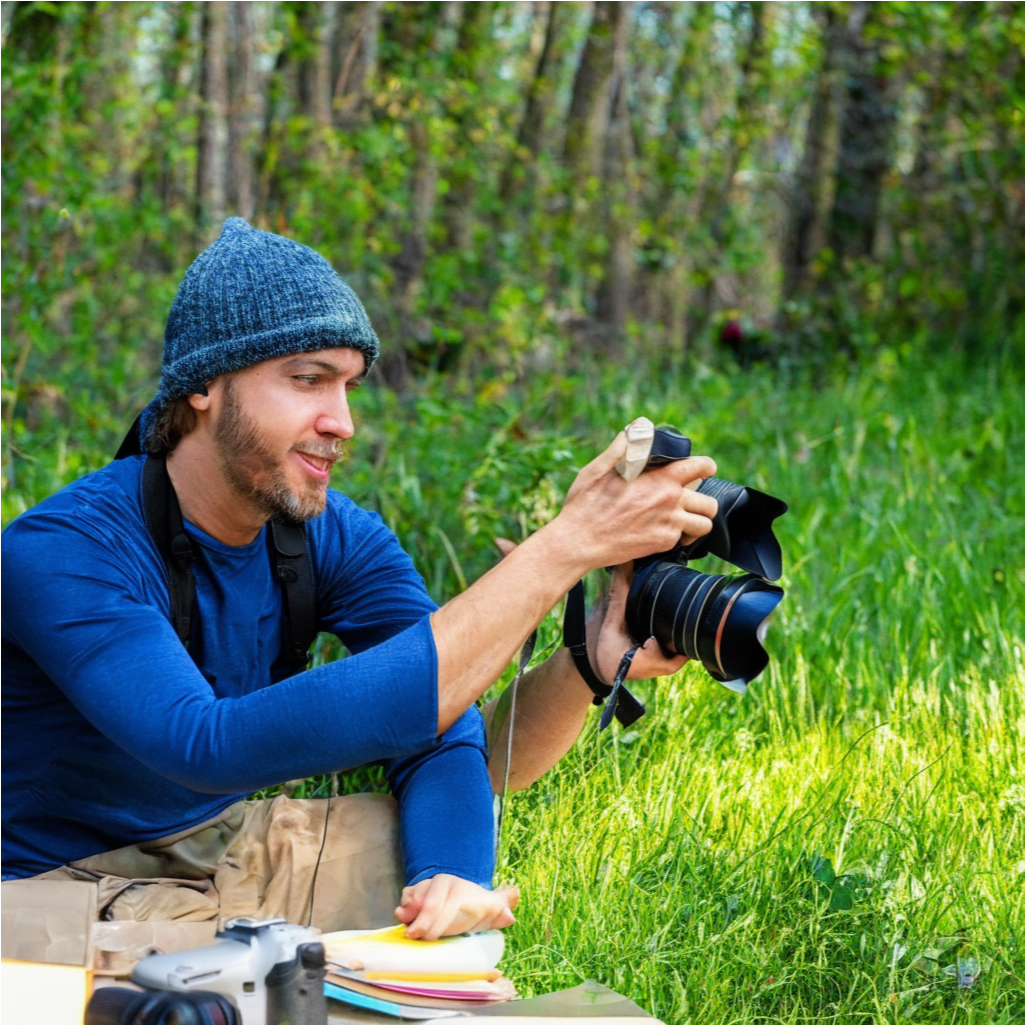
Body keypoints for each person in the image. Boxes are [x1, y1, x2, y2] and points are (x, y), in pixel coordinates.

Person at [0, 219, 716, 966]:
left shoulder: (330, 535)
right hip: (56, 882)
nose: (340, 421)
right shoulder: (63, 550)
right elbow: (205, 743)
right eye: (308, 379)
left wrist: (448, 879)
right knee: (235, 999)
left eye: (348, 385)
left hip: (233, 847)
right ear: (204, 384)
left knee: (436, 886)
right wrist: (562, 548)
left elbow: (443, 722)